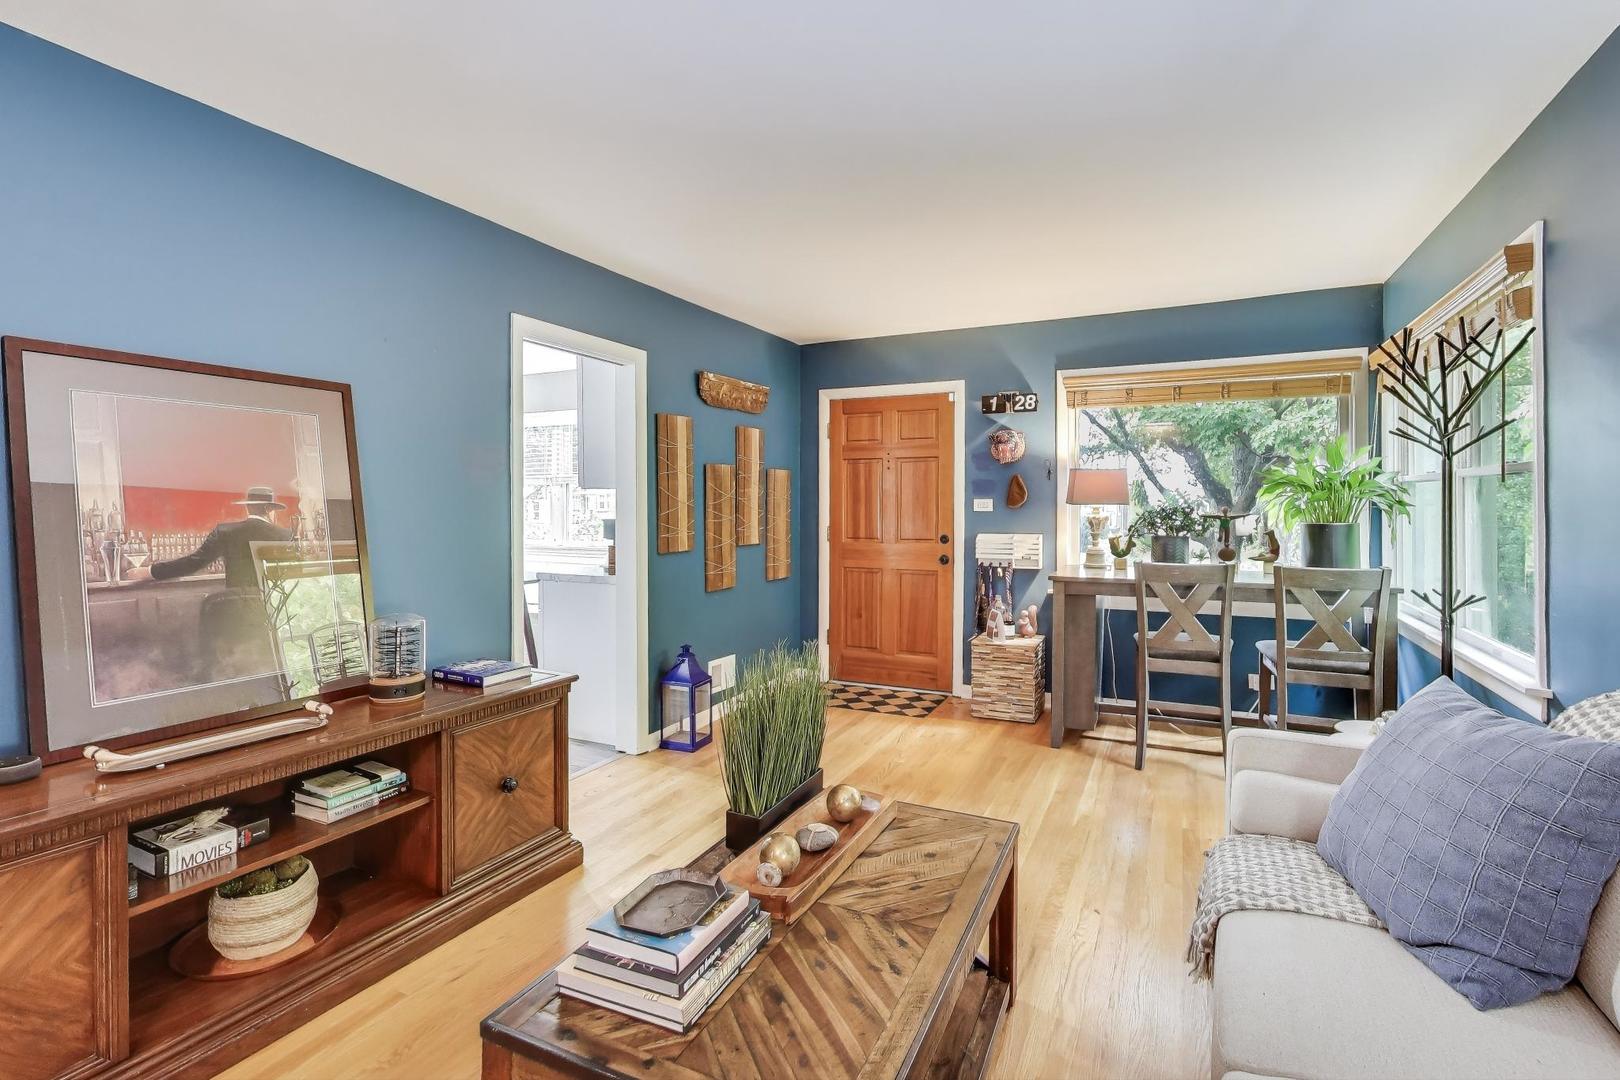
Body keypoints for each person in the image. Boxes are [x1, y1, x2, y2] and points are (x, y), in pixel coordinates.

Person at [145, 486, 295, 680]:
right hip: (274, 611)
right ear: (269, 510)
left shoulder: (225, 531)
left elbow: (193, 563)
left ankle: (212, 675)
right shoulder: (285, 535)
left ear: (248, 508)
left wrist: (150, 571)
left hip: (236, 610)